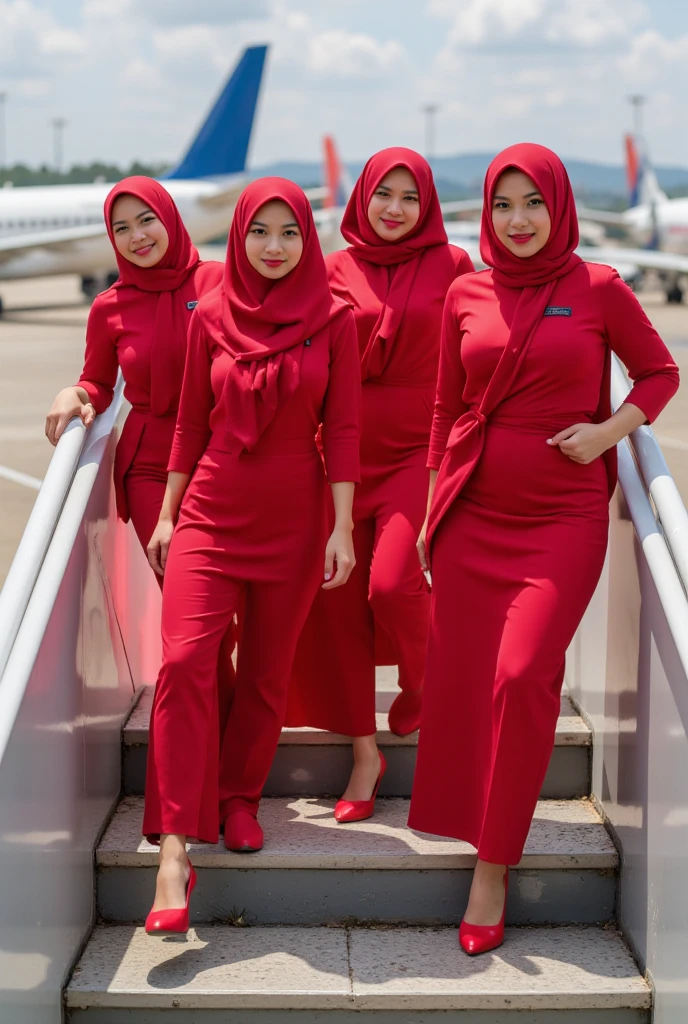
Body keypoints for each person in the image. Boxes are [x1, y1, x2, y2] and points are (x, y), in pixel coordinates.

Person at [409, 143, 679, 956]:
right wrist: (430, 514)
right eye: (503, 205)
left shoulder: (597, 287)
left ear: (559, 207)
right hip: (470, 514)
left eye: (533, 204)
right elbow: (443, 409)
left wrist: (607, 433)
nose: (518, 221)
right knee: (463, 685)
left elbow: (659, 374)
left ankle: (493, 868)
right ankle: (472, 826)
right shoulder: (465, 291)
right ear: (486, 212)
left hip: (561, 518)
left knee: (523, 676)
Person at [143, 178, 361, 935]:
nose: (273, 245)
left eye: (289, 232)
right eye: (259, 231)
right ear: (237, 238)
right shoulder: (209, 316)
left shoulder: (336, 319)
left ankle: (238, 798)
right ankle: (174, 846)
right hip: (209, 510)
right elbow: (188, 427)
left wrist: (343, 528)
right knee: (183, 662)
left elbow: (346, 431)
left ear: (308, 239)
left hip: (297, 520)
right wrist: (169, 514)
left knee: (267, 674)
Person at [286, 148, 474, 823]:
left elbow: (487, 338)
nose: (394, 208)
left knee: (394, 584)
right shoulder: (330, 270)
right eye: (382, 194)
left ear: (426, 204)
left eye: (409, 196)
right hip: (334, 453)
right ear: (361, 197)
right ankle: (366, 756)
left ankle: (421, 683)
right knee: (338, 609)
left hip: (418, 454)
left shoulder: (453, 266)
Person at [45, 175, 235, 703]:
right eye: (121, 228)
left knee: (227, 608)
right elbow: (100, 383)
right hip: (151, 464)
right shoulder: (110, 305)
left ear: (170, 219)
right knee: (189, 609)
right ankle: (208, 734)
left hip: (224, 455)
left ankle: (229, 727)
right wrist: (74, 391)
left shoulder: (222, 280)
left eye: (146, 220)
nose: (137, 237)